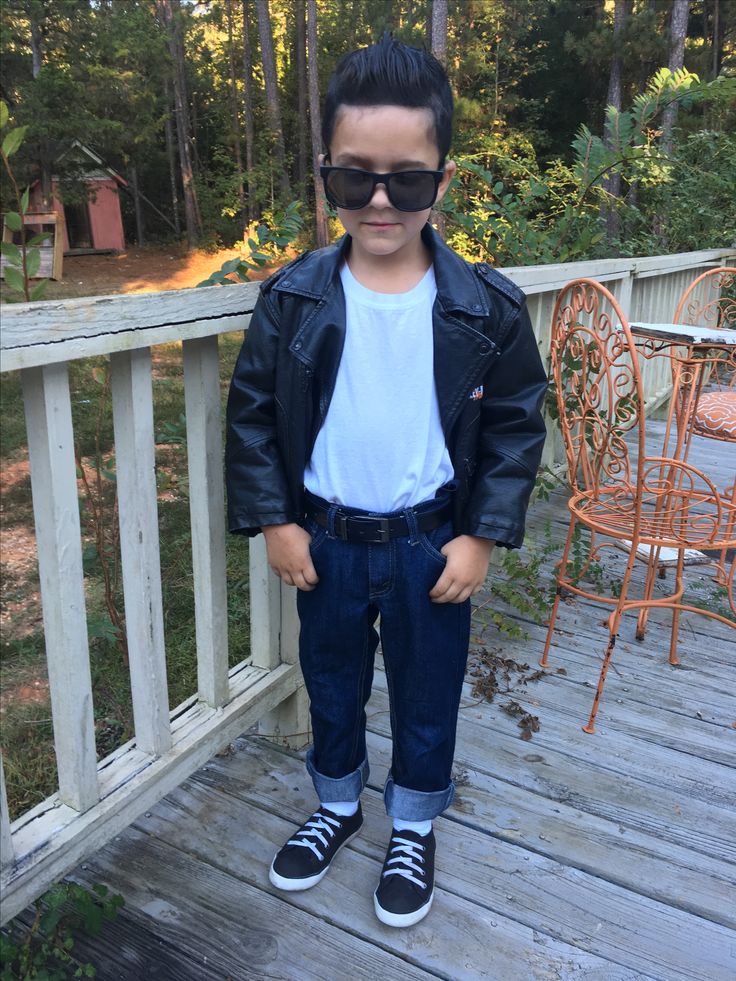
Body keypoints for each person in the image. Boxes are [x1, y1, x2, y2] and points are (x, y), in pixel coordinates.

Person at [225, 35, 547, 929]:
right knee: (329, 679)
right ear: (327, 171)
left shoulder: (486, 307)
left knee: (427, 686)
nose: (378, 200)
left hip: (429, 543)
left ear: (442, 180)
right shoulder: (292, 297)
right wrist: (274, 522)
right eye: (353, 177)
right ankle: (335, 803)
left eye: (405, 180)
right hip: (323, 538)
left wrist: (482, 533)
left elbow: (518, 423)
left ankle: (412, 820)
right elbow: (251, 413)